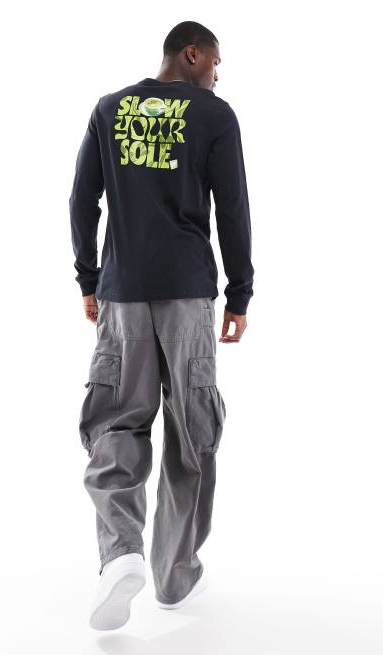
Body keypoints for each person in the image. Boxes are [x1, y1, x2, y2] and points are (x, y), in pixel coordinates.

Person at [69, 20, 254, 630]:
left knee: (117, 421)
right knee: (191, 428)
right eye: (215, 62)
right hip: (187, 293)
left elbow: (81, 201)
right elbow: (232, 207)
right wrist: (240, 293)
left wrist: (90, 279)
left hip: (123, 293)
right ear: (192, 53)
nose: (217, 75)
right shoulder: (214, 115)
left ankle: (120, 553)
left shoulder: (109, 109)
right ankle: (175, 575)